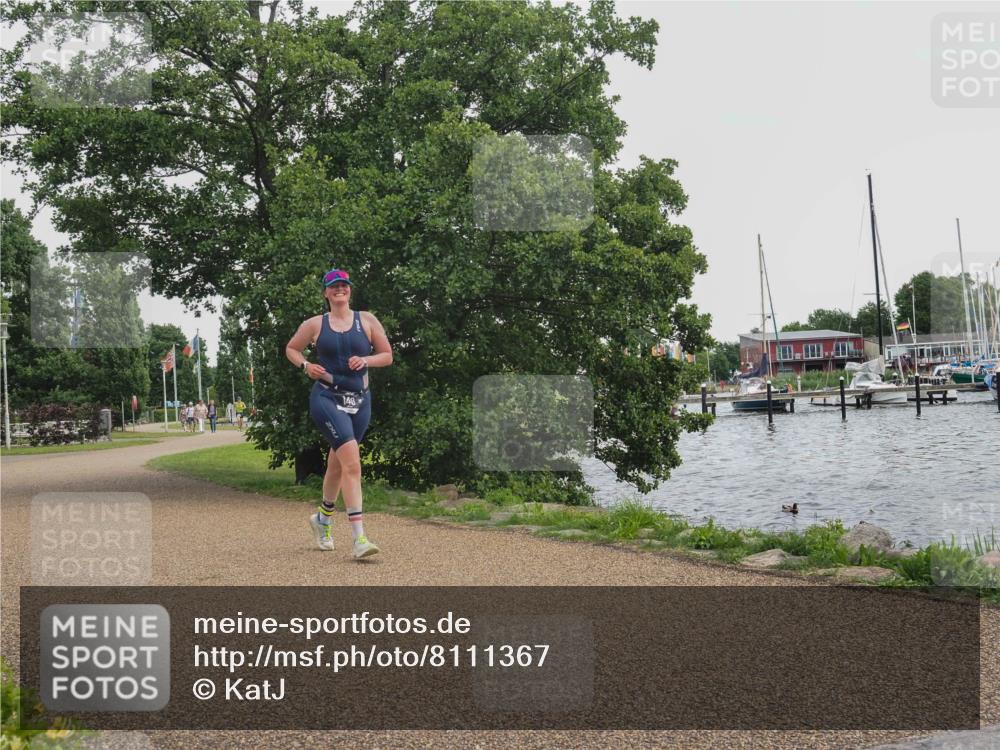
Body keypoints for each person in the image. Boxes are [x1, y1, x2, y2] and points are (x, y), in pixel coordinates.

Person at [285, 268, 393, 559]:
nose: (339, 290)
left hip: (360, 401)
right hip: (327, 398)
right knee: (353, 465)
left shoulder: (367, 320)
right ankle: (359, 539)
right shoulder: (314, 324)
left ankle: (322, 519)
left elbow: (387, 355)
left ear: (350, 290)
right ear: (326, 293)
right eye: (333, 286)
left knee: (337, 465)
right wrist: (306, 366)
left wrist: (366, 359)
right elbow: (292, 349)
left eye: (343, 285)